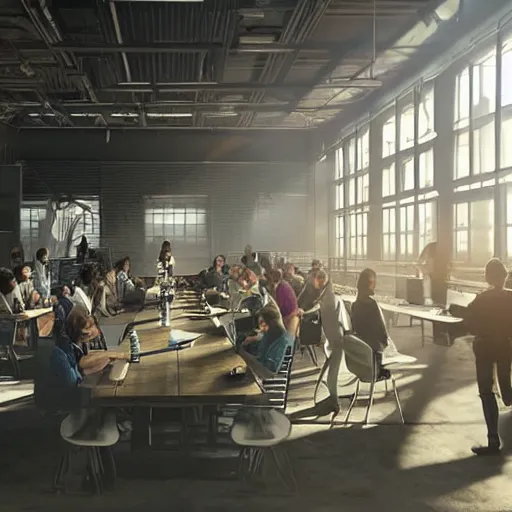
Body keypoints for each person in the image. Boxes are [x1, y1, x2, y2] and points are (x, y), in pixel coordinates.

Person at [454, 258, 512, 456]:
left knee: (487, 391)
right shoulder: (510, 297)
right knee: (506, 386)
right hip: (505, 346)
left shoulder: (481, 299)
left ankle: (493, 440)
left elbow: (468, 322)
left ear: (487, 277)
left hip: (485, 347)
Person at [298, 269, 344, 418]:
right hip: (332, 338)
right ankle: (333, 400)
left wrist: (304, 312)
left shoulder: (328, 295)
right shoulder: (324, 292)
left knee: (333, 374)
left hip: (337, 339)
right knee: (331, 373)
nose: (314, 282)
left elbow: (320, 307)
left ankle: (335, 402)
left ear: (322, 280)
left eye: (316, 279)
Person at [351, 269, 392, 378]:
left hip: (361, 360)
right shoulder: (373, 305)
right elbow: (383, 332)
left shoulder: (354, 306)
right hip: (375, 360)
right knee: (388, 343)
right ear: (371, 284)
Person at [239, 305, 295, 380]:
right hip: (261, 369)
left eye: (263, 324)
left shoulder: (283, 342)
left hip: (267, 377)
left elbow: (270, 371)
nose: (261, 328)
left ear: (272, 322)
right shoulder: (271, 334)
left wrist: (246, 356)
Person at [267, 269, 300, 337]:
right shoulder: (283, 284)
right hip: (293, 312)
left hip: (289, 316)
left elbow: (279, 307)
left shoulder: (280, 288)